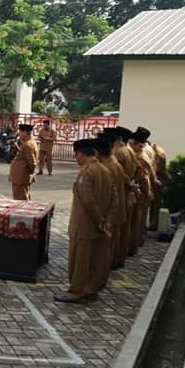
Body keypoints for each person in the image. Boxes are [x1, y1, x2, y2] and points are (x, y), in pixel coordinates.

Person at [55, 139, 112, 303]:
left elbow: (88, 202)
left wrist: (99, 220)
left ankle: (76, 291)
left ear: (85, 154)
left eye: (77, 154)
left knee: (79, 261)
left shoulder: (86, 172)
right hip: (98, 226)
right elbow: (114, 198)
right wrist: (106, 220)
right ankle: (91, 290)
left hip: (85, 226)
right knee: (94, 260)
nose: (75, 158)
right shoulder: (104, 169)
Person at [95, 133, 129, 273]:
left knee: (105, 247)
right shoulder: (113, 163)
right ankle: (114, 262)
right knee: (113, 242)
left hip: (110, 212)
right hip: (117, 209)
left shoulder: (107, 167)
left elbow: (105, 195)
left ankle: (103, 273)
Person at [111, 127, 141, 257]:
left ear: (117, 139)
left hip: (121, 191)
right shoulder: (129, 151)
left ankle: (115, 258)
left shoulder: (119, 153)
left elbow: (119, 173)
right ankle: (121, 257)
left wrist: (129, 183)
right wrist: (134, 182)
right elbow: (139, 169)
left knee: (118, 229)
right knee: (125, 228)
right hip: (128, 192)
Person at [128, 127, 154, 249]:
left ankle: (133, 245)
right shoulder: (139, 155)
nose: (129, 146)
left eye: (131, 144)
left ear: (139, 145)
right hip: (141, 191)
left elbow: (145, 178)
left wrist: (146, 192)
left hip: (140, 192)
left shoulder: (141, 158)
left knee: (136, 221)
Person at [9, 124, 38, 200]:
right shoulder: (27, 143)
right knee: (23, 197)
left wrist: (30, 173)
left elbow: (32, 162)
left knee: (21, 200)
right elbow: (23, 156)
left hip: (21, 177)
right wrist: (16, 147)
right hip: (20, 177)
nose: (19, 134)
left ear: (25, 132)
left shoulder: (28, 144)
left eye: (21, 132)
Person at [149, 137, 169, 231]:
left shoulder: (156, 153)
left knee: (155, 204)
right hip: (158, 180)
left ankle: (154, 224)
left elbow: (159, 169)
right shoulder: (158, 151)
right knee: (155, 204)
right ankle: (153, 223)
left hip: (157, 181)